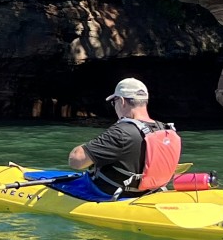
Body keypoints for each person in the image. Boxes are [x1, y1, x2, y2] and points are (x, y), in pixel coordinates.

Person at [52, 77, 183, 202]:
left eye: (114, 102)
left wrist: (88, 146)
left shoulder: (120, 132)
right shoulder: (166, 130)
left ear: (122, 101)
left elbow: (76, 161)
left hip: (113, 195)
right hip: (152, 192)